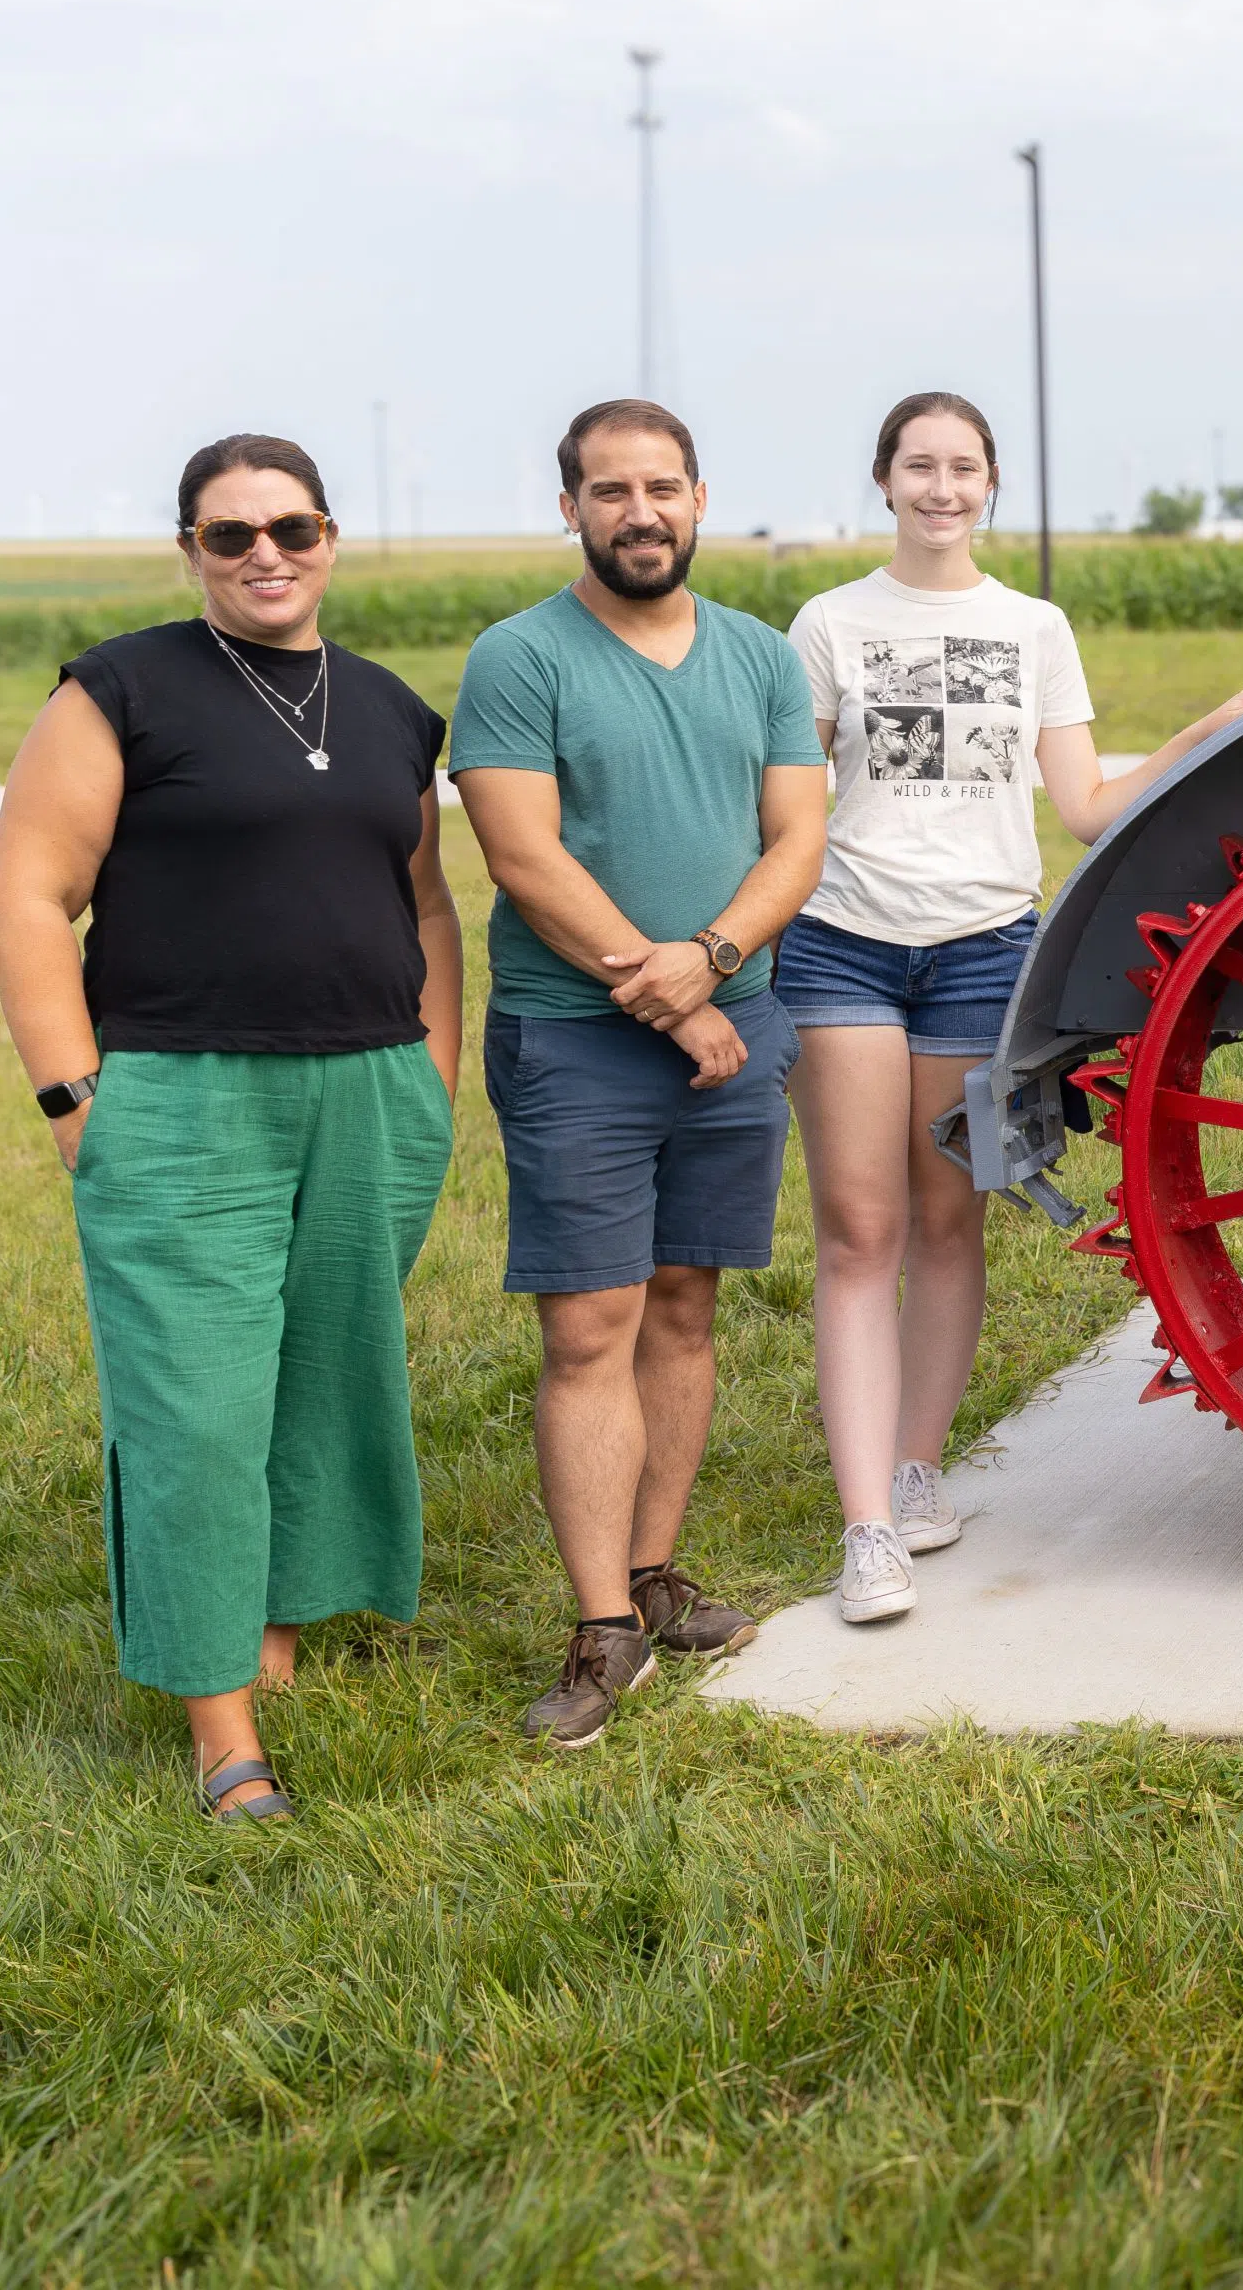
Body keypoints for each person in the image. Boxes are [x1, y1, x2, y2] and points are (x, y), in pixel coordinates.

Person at [0, 436, 462, 1821]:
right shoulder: (120, 689)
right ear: (190, 548)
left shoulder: (384, 708)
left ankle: (280, 1625)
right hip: (182, 1096)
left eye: (292, 529)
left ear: (330, 537)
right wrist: (76, 1096)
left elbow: (425, 904)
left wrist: (429, 1073)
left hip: (368, 1090)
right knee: (194, 1404)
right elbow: (26, 898)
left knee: (330, 1374)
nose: (266, 556)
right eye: (231, 534)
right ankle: (220, 1724)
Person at [780, 391, 1243, 1624]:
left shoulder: (1032, 628)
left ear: (991, 485)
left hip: (981, 949)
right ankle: (866, 1534)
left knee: (949, 1225)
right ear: (885, 481)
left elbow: (1083, 807)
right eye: (919, 466)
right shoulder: (829, 622)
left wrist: (1208, 729)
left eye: (962, 467)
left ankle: (916, 1474)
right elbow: (794, 805)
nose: (941, 487)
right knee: (860, 1232)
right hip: (842, 946)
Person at [451, 399, 827, 1745]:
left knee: (685, 1304)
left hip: (737, 1022)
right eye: (609, 491)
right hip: (579, 1038)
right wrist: (666, 996)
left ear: (700, 497)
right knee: (589, 1327)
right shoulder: (520, 657)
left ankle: (658, 1575)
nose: (639, 511)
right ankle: (601, 1625)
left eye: (660, 487)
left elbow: (796, 838)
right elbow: (525, 858)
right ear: (571, 509)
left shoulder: (762, 659)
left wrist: (717, 955)